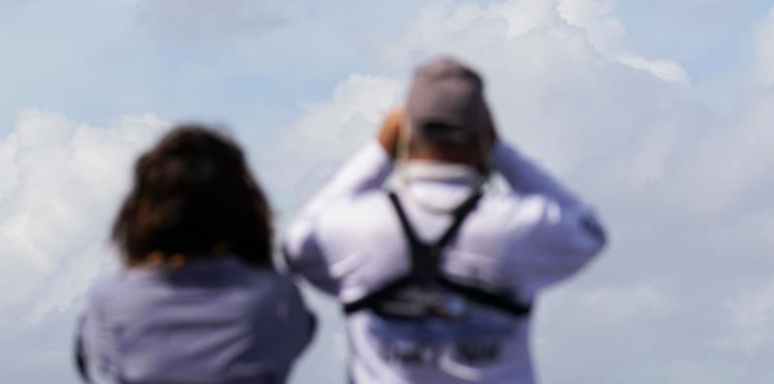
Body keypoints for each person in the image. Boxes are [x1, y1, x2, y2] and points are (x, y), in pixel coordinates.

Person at [283, 57, 607, 384]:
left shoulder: (359, 226)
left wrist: (379, 153)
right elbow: (587, 231)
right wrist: (500, 152)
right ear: (483, 132)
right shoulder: (512, 225)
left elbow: (298, 244)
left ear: (404, 130)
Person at [76, 125, 315, 384]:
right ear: (245, 211)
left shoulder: (112, 300)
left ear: (140, 212)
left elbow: (103, 361)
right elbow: (300, 334)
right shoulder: (276, 297)